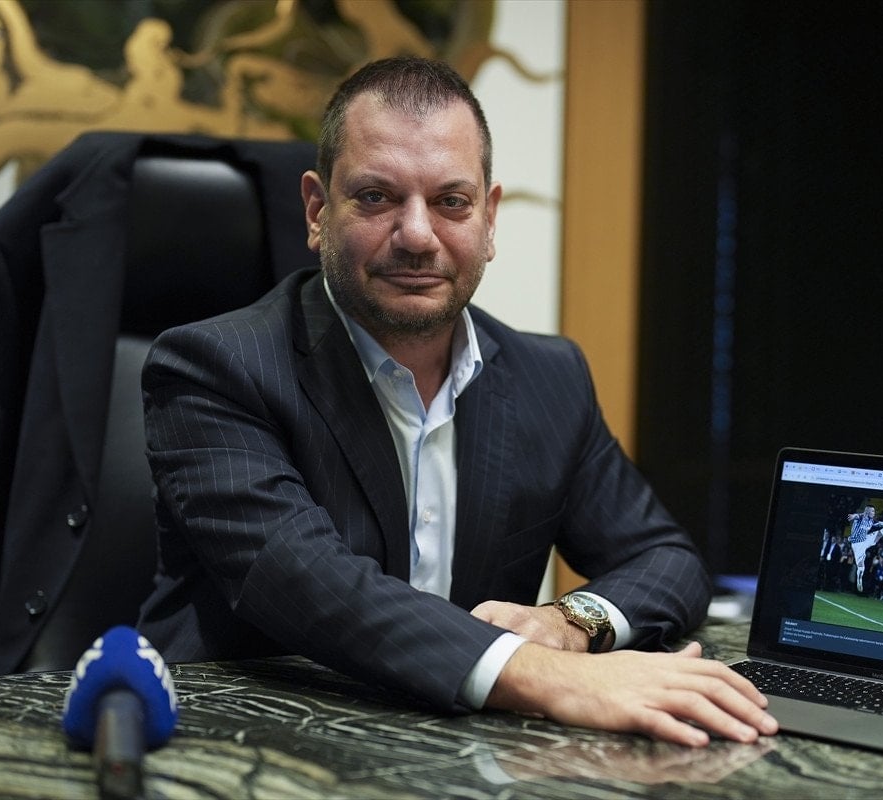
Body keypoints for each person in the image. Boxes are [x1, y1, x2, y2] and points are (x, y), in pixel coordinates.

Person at [135, 56, 776, 748]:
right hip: (249, 746)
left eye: (451, 202)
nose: (417, 235)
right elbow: (311, 584)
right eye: (377, 197)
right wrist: (547, 675)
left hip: (460, 751)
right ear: (318, 211)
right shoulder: (215, 368)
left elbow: (666, 559)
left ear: (489, 219)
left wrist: (569, 625)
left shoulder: (549, 377)